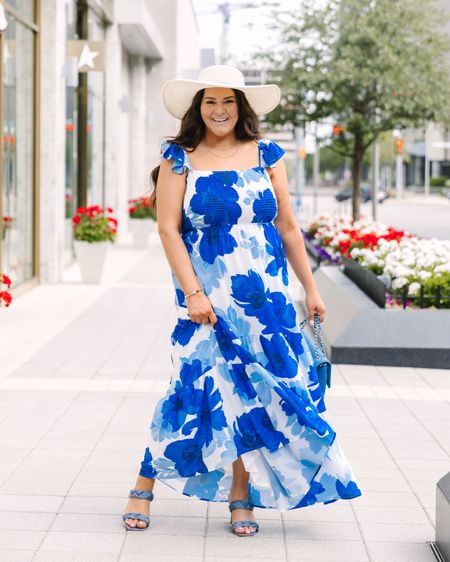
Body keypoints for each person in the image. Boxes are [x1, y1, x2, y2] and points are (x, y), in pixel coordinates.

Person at [122, 64, 362, 536]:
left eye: (228, 101)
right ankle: (142, 486)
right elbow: (168, 228)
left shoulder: (268, 154)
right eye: (210, 101)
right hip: (205, 300)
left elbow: (288, 227)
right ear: (198, 108)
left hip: (267, 301)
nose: (219, 110)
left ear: (242, 107)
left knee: (254, 397)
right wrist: (193, 291)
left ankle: (241, 493)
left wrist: (310, 289)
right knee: (191, 388)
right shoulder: (179, 157)